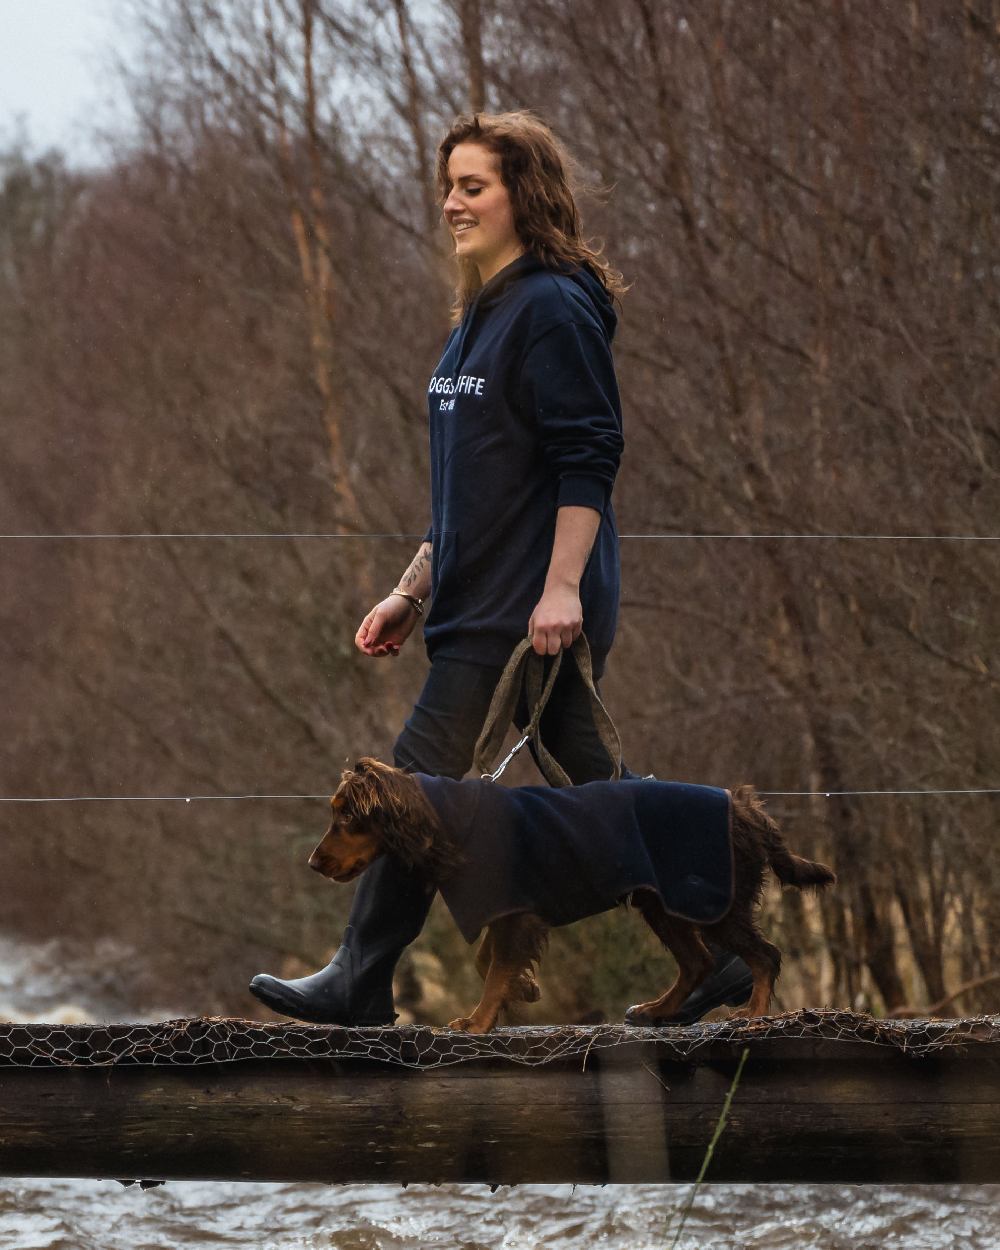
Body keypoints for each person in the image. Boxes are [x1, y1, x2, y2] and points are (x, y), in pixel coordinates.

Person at [249, 111, 751, 1026]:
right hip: (476, 600)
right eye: (448, 185)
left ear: (525, 193)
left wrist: (561, 588)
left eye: (473, 186)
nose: (452, 203)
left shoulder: (554, 306)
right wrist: (414, 586)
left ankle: (360, 979)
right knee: (602, 789)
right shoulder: (482, 309)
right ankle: (710, 947)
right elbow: (475, 487)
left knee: (409, 791)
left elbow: (587, 456)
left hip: (527, 610)